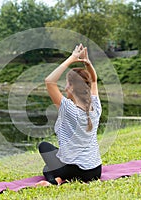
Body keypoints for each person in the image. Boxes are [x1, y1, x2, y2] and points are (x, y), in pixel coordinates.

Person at [36, 44, 102, 186]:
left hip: (76, 171)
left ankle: (56, 181)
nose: (64, 87)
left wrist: (72, 58)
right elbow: (94, 80)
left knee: (44, 150)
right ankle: (60, 178)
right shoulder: (95, 106)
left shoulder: (68, 109)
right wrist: (87, 63)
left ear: (71, 87)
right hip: (96, 171)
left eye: (66, 83)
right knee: (56, 154)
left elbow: (49, 81)